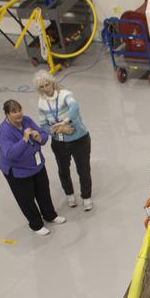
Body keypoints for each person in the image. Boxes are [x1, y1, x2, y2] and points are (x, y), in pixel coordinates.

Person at [0, 100, 66, 236]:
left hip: (36, 165)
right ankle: (35, 225)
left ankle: (50, 215)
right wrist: (24, 139)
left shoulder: (27, 120)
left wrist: (38, 137)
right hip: (18, 172)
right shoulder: (3, 131)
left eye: (19, 110)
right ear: (7, 114)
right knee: (26, 199)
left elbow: (44, 136)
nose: (18, 114)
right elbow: (10, 154)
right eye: (14, 112)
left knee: (43, 191)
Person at [34, 70, 93, 210]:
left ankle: (86, 197)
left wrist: (64, 121)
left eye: (47, 84)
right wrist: (60, 129)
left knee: (83, 169)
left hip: (79, 139)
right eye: (41, 87)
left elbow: (74, 107)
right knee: (63, 170)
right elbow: (43, 125)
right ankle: (70, 195)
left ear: (52, 83)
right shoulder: (41, 103)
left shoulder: (65, 94)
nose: (45, 89)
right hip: (59, 142)